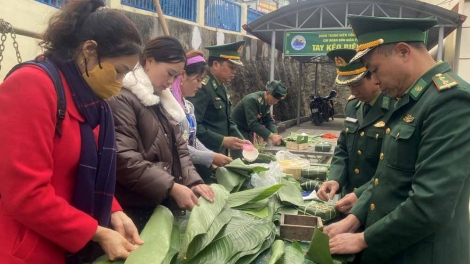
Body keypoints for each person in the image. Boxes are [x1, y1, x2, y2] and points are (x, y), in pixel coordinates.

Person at [0, 1, 144, 263]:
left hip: (67, 246)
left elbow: (86, 175)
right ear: (89, 50)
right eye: (119, 71)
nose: (119, 83)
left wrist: (113, 211)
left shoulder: (93, 103)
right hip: (26, 248)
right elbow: (25, 194)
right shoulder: (32, 85)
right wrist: (98, 233)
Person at [325, 15, 470, 264]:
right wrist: (354, 218)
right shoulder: (411, 98)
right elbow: (390, 177)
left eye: (374, 70)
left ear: (403, 51)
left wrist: (363, 239)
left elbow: (430, 206)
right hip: (394, 247)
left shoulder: (449, 101)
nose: (376, 80)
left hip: (423, 253)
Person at [108, 36, 215, 232]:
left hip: (157, 205)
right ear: (149, 61)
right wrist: (171, 187)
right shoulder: (123, 99)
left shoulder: (162, 100)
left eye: (176, 76)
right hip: (133, 209)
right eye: (170, 74)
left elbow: (181, 149)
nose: (171, 82)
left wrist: (193, 181)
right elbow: (125, 159)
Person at [317, 49, 395, 214]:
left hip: (377, 203)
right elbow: (343, 148)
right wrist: (335, 179)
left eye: (357, 84)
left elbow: (392, 166)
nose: (353, 92)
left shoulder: (394, 107)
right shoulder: (353, 106)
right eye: (349, 86)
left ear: (374, 77)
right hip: (348, 199)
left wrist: (361, 195)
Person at [187, 41, 251, 180]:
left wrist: (241, 140)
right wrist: (222, 140)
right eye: (231, 67)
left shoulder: (220, 86)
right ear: (215, 64)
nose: (234, 72)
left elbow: (228, 120)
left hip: (218, 155)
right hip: (204, 156)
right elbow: (194, 126)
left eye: (235, 68)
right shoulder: (202, 87)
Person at [170, 50, 233, 170]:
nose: (200, 85)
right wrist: (210, 157)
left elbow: (192, 139)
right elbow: (177, 146)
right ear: (183, 75)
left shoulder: (188, 106)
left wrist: (210, 155)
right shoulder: (169, 106)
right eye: (198, 80)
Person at [231, 80, 287, 146]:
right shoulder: (252, 100)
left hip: (248, 131)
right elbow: (253, 123)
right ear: (268, 93)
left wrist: (275, 134)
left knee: (250, 154)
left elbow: (268, 121)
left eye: (277, 101)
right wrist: (271, 136)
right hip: (237, 131)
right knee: (241, 155)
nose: (275, 102)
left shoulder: (266, 102)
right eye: (274, 99)